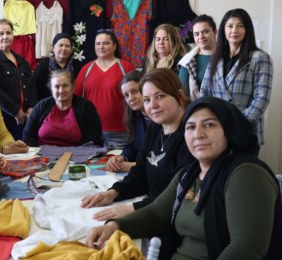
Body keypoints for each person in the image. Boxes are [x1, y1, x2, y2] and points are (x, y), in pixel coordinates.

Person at [86, 97, 282, 260]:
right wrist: (116, 226)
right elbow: (157, 214)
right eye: (190, 127)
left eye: (210, 125)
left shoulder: (246, 174)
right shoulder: (190, 173)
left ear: (228, 131)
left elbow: (246, 249)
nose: (198, 133)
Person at [81, 69, 193, 220]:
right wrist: (113, 193)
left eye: (160, 96)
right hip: (153, 208)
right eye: (147, 99)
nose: (152, 105)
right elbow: (140, 173)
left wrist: (133, 208)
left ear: (179, 96)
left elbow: (179, 195)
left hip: (174, 218)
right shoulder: (155, 128)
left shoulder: (192, 136)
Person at [200, 8, 273, 148]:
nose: (234, 30)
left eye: (240, 26)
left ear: (247, 30)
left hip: (245, 130)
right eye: (230, 26)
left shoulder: (260, 58)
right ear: (223, 30)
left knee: (241, 169)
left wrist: (238, 125)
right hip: (216, 130)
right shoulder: (216, 57)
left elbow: (262, 98)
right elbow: (204, 92)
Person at [74, 30, 135, 148]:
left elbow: (138, 99)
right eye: (98, 43)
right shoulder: (86, 70)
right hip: (90, 133)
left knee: (117, 166)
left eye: (106, 43)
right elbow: (75, 100)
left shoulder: (126, 67)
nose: (101, 47)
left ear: (114, 46)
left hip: (120, 133)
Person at [0, 18, 36, 140]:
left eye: (8, 33)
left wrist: (31, 108)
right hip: (3, 120)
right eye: (1, 33)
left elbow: (31, 86)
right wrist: (16, 112)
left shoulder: (21, 61)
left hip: (25, 119)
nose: (5, 36)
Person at [23, 69, 103, 147]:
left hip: (76, 155)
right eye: (56, 86)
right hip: (42, 155)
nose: (61, 90)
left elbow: (93, 138)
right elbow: (28, 136)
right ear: (51, 89)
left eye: (65, 86)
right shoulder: (41, 106)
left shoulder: (86, 107)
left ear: (73, 88)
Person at [105, 70, 147, 173]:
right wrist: (121, 158)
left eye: (135, 91)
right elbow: (130, 147)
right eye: (126, 95)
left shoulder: (160, 119)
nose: (131, 98)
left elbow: (163, 162)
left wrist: (132, 166)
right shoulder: (134, 116)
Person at [31, 33, 82, 101]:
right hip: (47, 106)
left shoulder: (78, 66)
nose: (64, 48)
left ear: (71, 50)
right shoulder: (43, 65)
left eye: (67, 46)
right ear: (53, 48)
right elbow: (34, 89)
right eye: (60, 45)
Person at [178, 15, 217, 101]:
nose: (201, 37)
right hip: (198, 110)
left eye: (205, 32)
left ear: (215, 32)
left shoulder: (229, 55)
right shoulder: (187, 62)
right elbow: (183, 96)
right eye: (196, 34)